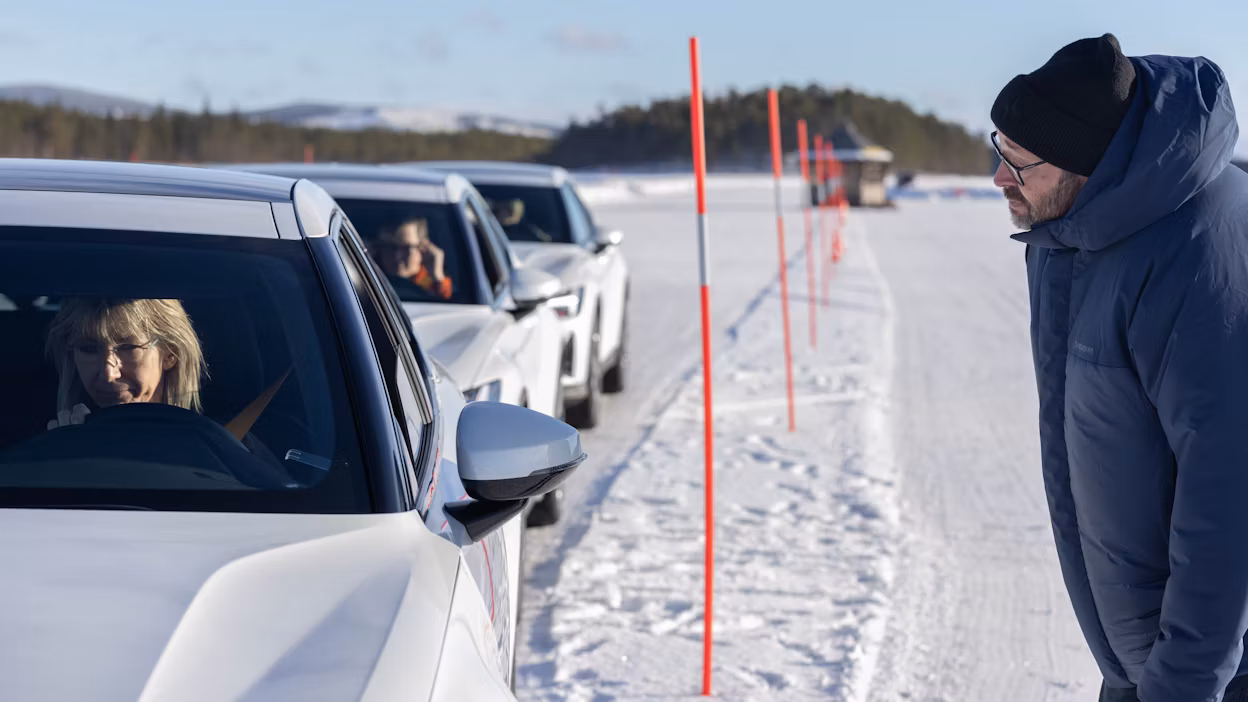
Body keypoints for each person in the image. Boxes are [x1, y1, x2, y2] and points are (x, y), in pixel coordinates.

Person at [991, 34, 1248, 701]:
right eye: (998, 150)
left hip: (1211, 674)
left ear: (1087, 164)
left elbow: (1228, 499)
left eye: (1019, 163)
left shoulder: (1193, 260)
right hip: (1144, 668)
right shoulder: (1080, 228)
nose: (999, 177)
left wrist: (1182, 683)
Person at [44, 297, 207, 428]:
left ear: (171, 354)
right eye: (88, 349)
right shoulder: (47, 443)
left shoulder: (213, 445)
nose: (108, 373)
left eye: (128, 348)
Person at [373, 218, 453, 300]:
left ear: (424, 248)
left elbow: (449, 304)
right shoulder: (369, 279)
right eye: (390, 247)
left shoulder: (428, 284)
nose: (397, 256)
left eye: (406, 247)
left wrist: (437, 277)